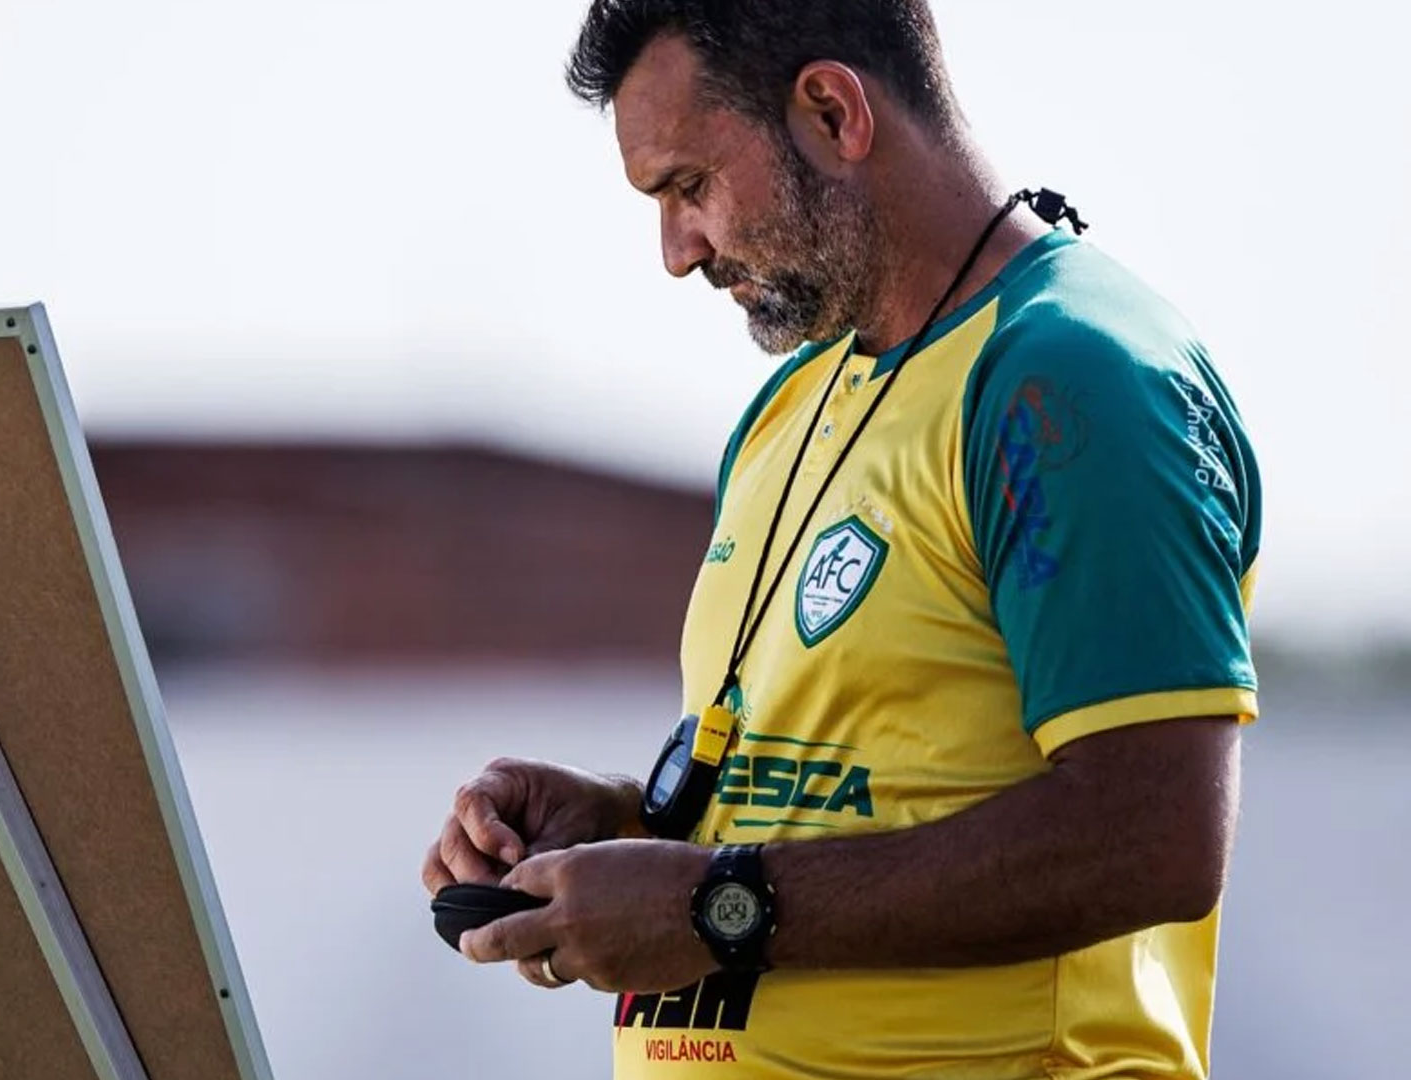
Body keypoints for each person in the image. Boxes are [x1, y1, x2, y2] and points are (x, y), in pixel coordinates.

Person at [420, 2, 1262, 1078]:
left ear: (831, 112)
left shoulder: (1070, 381)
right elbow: (840, 796)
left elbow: (1152, 836)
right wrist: (622, 825)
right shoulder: (794, 403)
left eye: (690, 186)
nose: (678, 252)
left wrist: (714, 906)